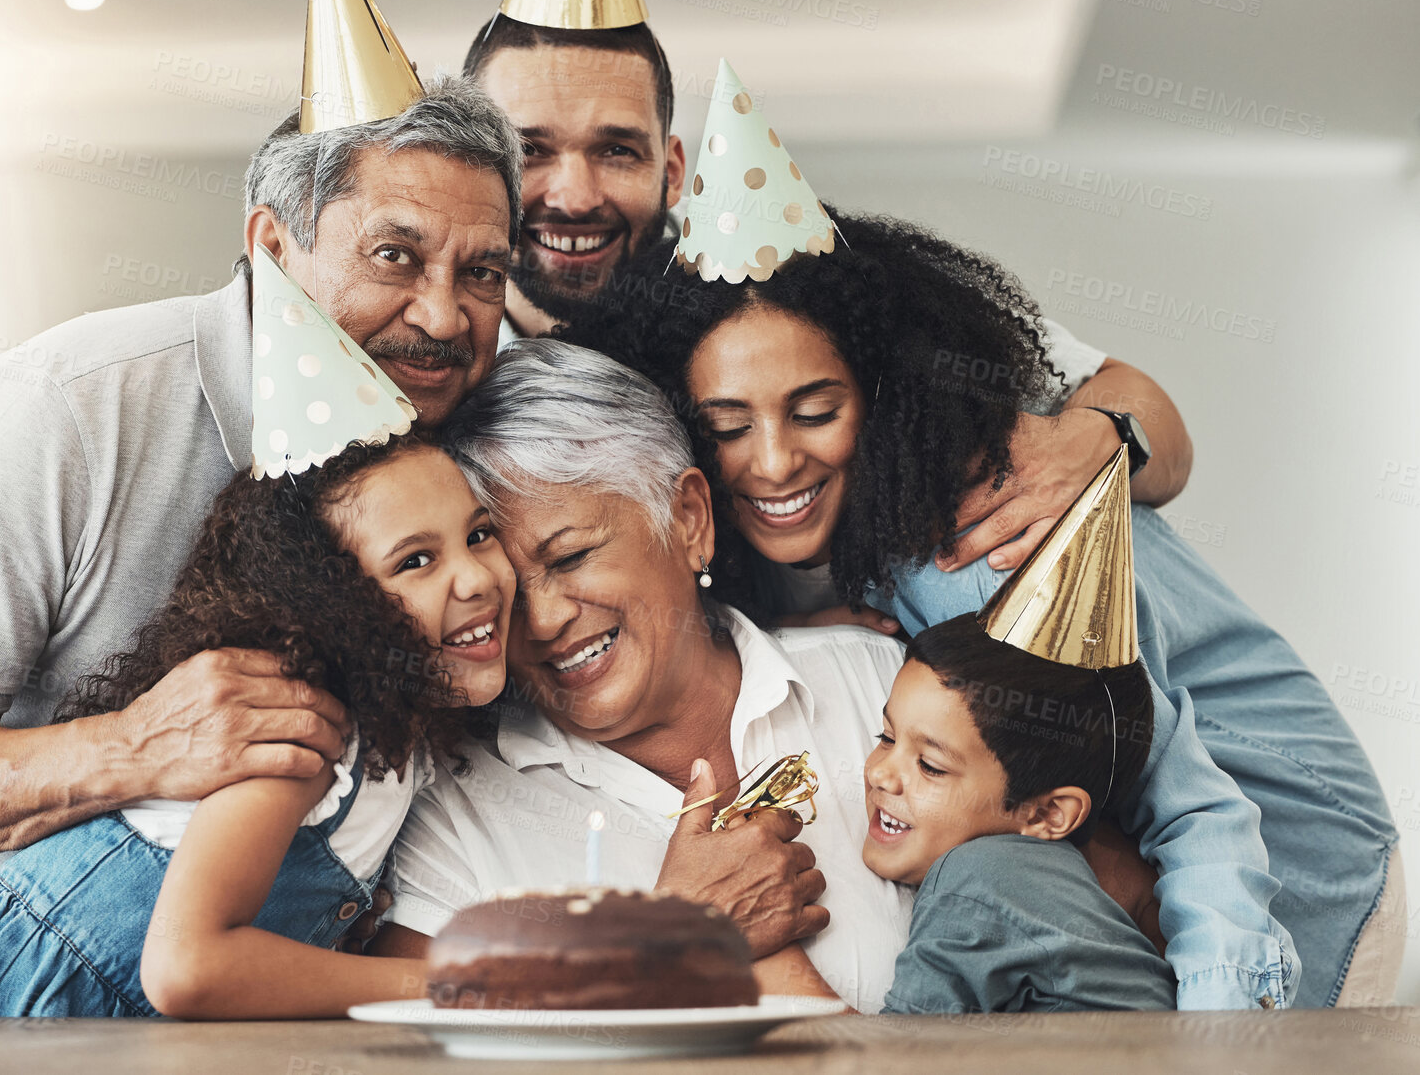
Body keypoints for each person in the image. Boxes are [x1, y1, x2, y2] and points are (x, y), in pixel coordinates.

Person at [0, 0, 527, 1026]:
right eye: (393, 254)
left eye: (481, 272)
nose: (441, 313)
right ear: (273, 249)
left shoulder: (454, 433)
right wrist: (136, 745)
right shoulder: (65, 411)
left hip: (224, 997)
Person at [571, 204, 1404, 1007]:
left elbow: (1197, 808)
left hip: (1294, 858)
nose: (774, 461)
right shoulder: (768, 556)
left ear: (881, 395)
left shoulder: (977, 553)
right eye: (726, 427)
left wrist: (1227, 1030)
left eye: (815, 412)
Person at [370, 339, 1272, 1015]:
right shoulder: (454, 810)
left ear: (688, 519)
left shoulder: (888, 690)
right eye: (495, 576)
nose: (538, 617)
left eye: (569, 557)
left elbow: (1116, 947)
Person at [466, 0, 1193, 580]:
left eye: (615, 150)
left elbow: (1161, 431)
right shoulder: (435, 357)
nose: (574, 192)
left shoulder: (790, 286)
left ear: (671, 167)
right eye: (529, 150)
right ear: (477, 163)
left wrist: (1099, 437)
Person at [0, 419, 513, 1019]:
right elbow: (188, 968)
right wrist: (454, 985)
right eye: (415, 561)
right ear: (331, 600)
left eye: (478, 534)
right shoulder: (294, 734)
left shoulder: (398, 747)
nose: (476, 578)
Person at [864, 442, 1176, 1015]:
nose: (882, 773)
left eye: (930, 764)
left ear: (1046, 814)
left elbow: (893, 1058)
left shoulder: (980, 876)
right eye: (885, 737)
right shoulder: (1062, 878)